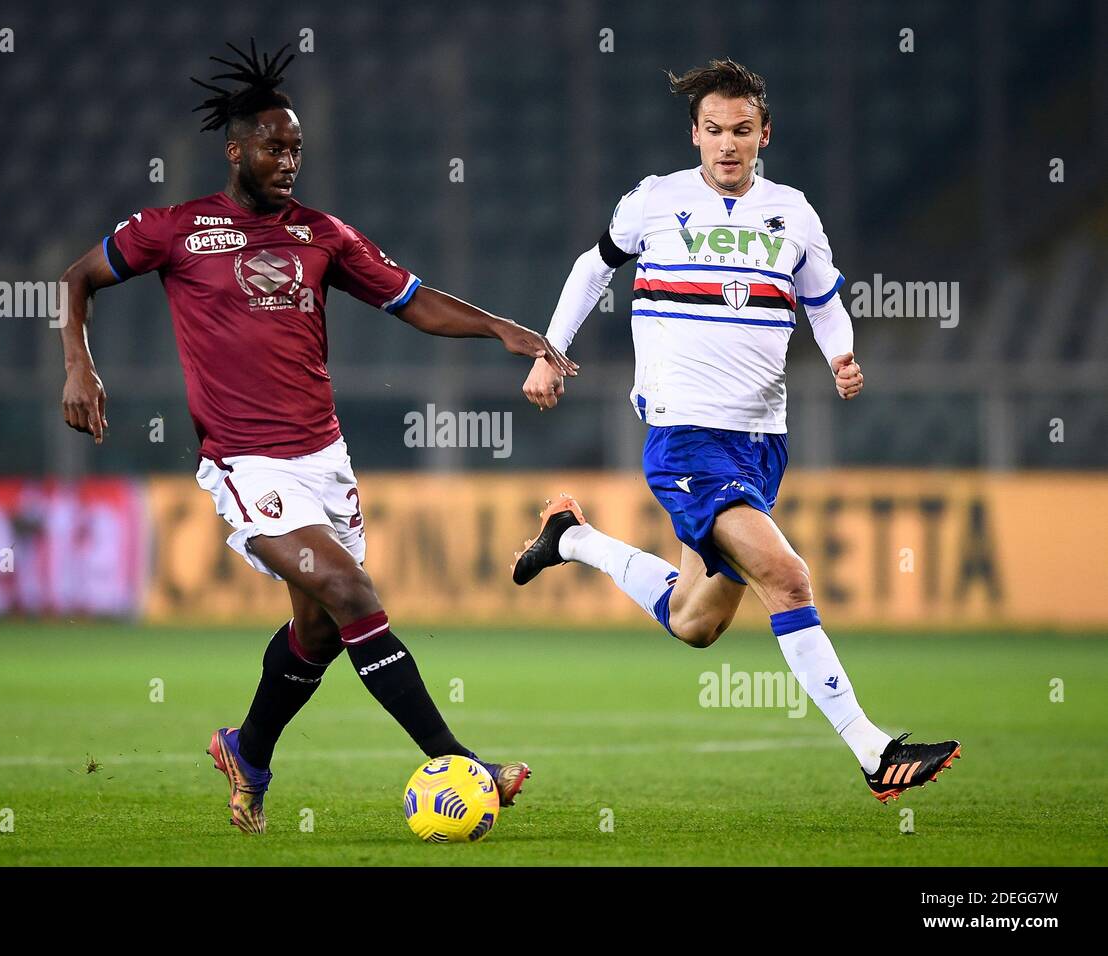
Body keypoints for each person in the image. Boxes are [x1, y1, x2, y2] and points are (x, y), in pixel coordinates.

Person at [58, 41, 577, 832]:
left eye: (297, 147)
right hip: (243, 463)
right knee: (351, 593)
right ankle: (462, 762)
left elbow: (413, 300)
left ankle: (248, 750)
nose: (288, 159)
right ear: (235, 151)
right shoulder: (175, 230)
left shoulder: (322, 236)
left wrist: (503, 329)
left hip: (323, 460)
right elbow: (78, 277)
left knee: (320, 627)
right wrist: (80, 366)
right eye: (273, 146)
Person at [515, 59, 959, 803]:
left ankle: (572, 538)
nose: (727, 144)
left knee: (696, 623)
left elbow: (822, 301)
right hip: (684, 436)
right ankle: (873, 750)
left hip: (760, 440)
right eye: (714, 130)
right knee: (787, 577)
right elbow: (593, 267)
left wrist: (842, 353)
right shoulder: (655, 202)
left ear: (764, 135)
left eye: (742, 131)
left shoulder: (794, 213)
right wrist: (549, 352)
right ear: (695, 134)